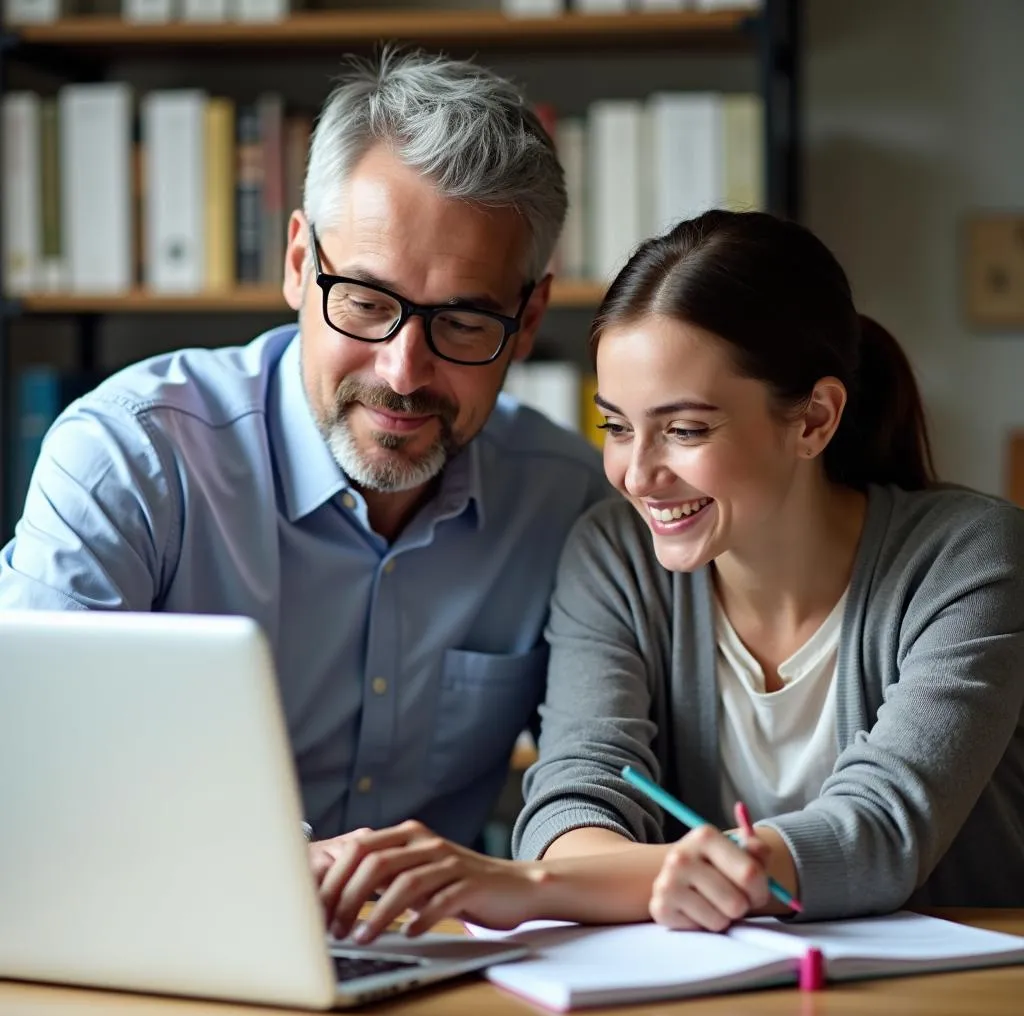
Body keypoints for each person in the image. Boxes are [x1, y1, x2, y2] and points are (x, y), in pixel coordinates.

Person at [310, 209, 1024, 945]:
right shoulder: (615, 555)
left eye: (684, 430)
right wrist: (601, 871)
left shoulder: (972, 559)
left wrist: (525, 886)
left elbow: (882, 826)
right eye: (617, 427)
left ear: (813, 419)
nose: (638, 476)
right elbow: (574, 803)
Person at [0, 49, 609, 868]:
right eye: (365, 302)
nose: (402, 373)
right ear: (299, 264)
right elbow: (31, 773)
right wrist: (282, 866)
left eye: (463, 323)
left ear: (529, 320)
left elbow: (593, 773)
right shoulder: (126, 459)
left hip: (426, 971)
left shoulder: (565, 500)